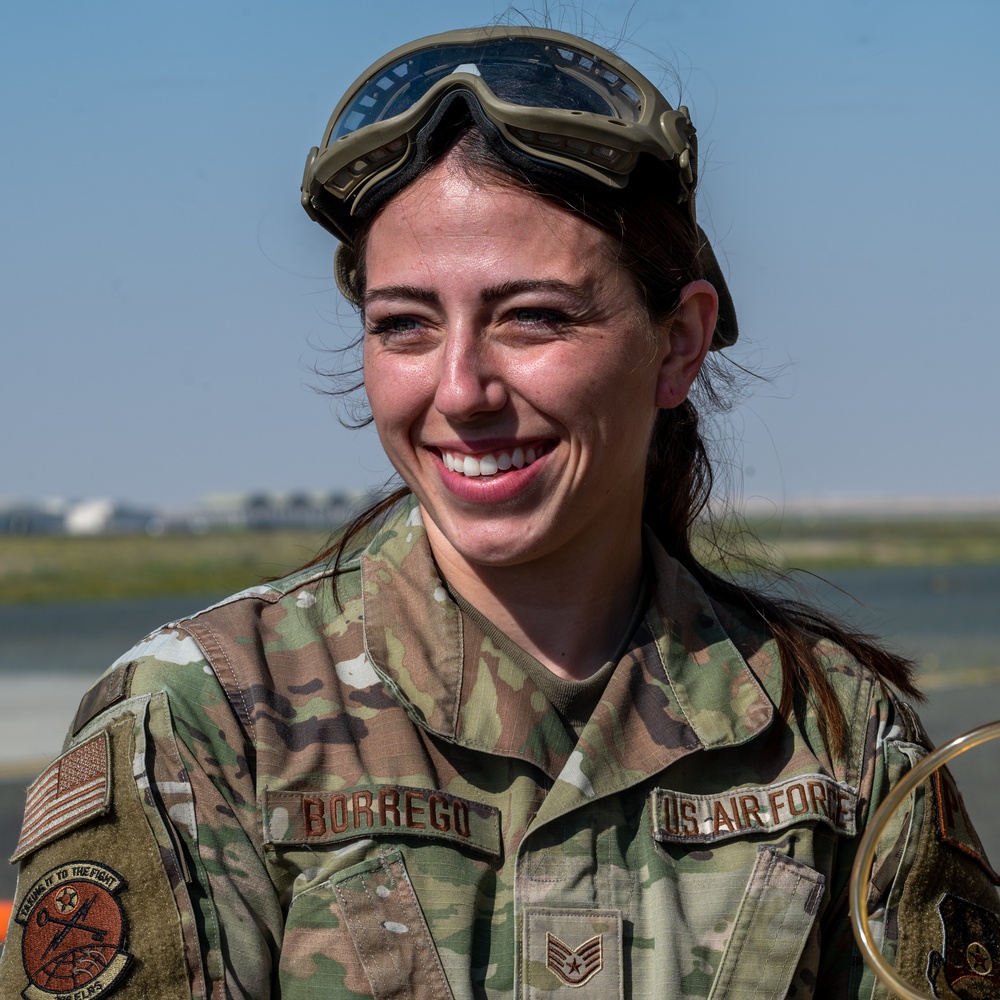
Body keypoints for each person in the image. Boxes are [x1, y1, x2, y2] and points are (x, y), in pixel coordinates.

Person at [2, 24, 998, 1000]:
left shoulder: (837, 743)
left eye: (533, 318)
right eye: (405, 325)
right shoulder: (209, 722)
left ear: (679, 344)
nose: (462, 387)